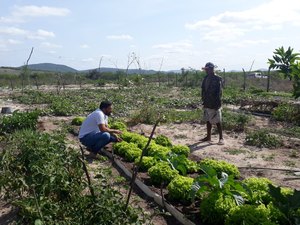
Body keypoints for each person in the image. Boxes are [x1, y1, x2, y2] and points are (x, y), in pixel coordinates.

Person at [200, 62, 224, 145]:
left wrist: (218, 104)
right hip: (207, 102)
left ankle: (221, 138)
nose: (206, 71)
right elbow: (203, 90)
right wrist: (203, 100)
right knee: (208, 119)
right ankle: (208, 137)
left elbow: (220, 92)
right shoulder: (206, 78)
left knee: (217, 121)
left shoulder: (217, 78)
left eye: (208, 69)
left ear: (212, 69)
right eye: (206, 69)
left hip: (215, 102)